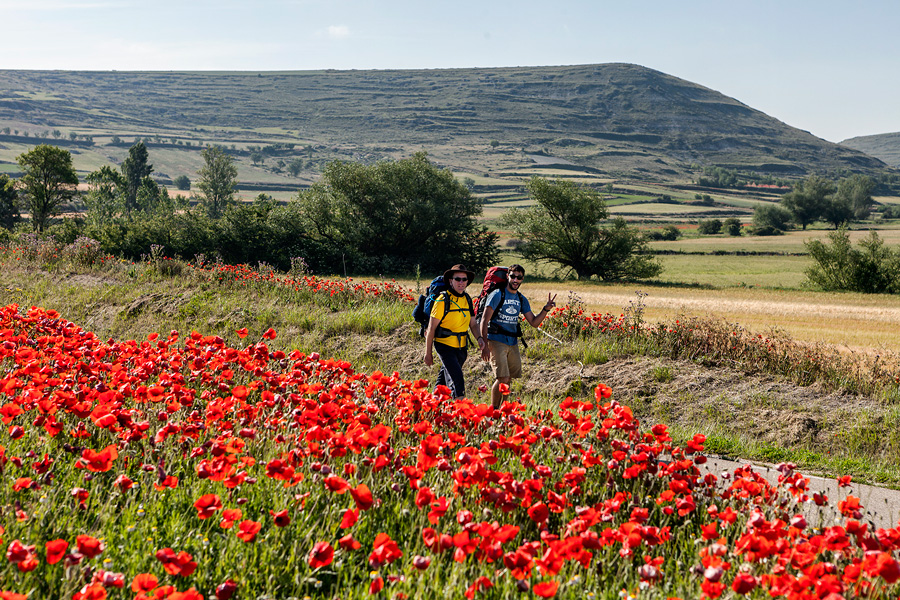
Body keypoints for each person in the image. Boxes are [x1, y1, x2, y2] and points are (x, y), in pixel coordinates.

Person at [479, 264, 556, 409]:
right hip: (496, 340)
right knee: (502, 377)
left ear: (522, 279)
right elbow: (484, 320)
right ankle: (494, 411)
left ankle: (504, 410)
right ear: (507, 276)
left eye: (519, 277)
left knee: (508, 379)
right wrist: (484, 345)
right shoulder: (497, 295)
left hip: (512, 342)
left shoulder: (521, 299)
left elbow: (534, 322)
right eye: (513, 276)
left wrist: (545, 309)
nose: (515, 280)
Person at [423, 264, 485, 399]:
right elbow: (431, 328)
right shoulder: (442, 300)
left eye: (464, 279)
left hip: (462, 348)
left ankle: (432, 404)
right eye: (458, 279)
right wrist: (428, 353)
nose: (461, 282)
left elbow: (473, 324)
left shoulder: (467, 299)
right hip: (444, 346)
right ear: (451, 281)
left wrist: (479, 338)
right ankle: (460, 407)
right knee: (457, 381)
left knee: (443, 381)